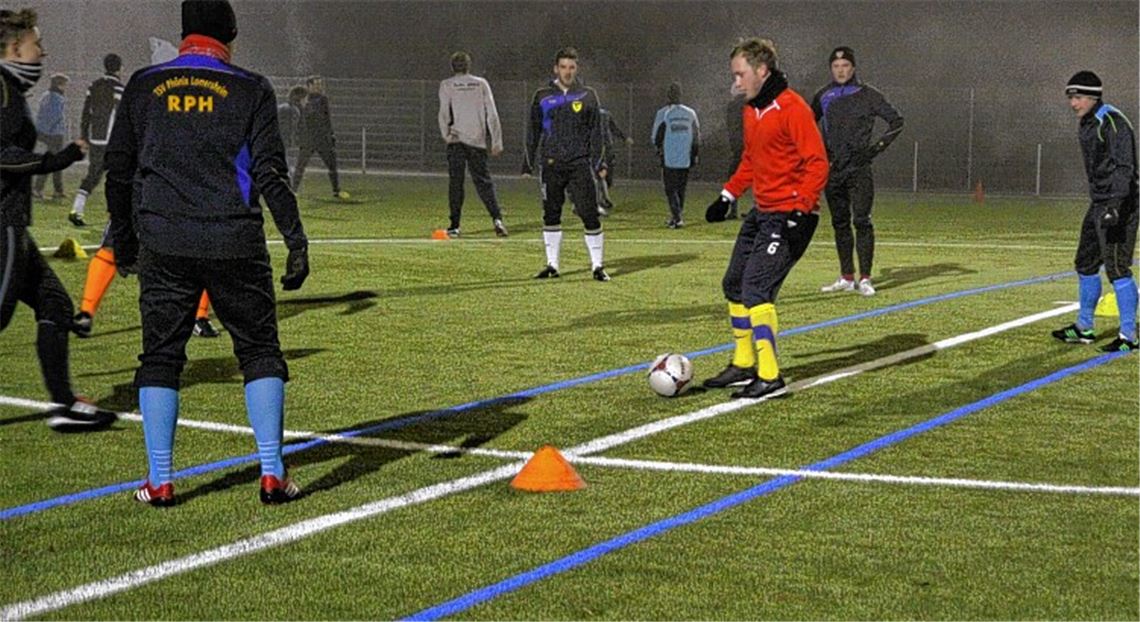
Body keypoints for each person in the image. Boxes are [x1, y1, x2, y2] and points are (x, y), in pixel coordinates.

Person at [105, 0, 311, 506]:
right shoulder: (251, 87)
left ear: (184, 33)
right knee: (259, 351)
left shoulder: (144, 84)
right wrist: (295, 239)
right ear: (230, 33)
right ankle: (270, 473)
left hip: (164, 240)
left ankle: (161, 480)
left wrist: (126, 243)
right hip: (233, 239)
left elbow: (119, 171)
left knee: (160, 357)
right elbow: (269, 173)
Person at [0, 7, 116, 431]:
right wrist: (59, 159)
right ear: (14, 48)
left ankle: (64, 405)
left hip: (13, 222)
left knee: (55, 303)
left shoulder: (11, 90)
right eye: (36, 45)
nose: (42, 52)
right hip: (2, 223)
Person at [702, 37, 829, 399]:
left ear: (761, 70)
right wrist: (727, 196)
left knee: (757, 289)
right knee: (733, 284)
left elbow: (817, 163)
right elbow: (751, 162)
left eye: (741, 74)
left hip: (790, 216)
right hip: (763, 212)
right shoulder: (751, 111)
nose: (736, 82)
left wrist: (802, 208)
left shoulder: (792, 108)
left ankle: (770, 375)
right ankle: (744, 364)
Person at [1051, 70, 1138, 352]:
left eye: (1077, 98)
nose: (1073, 104)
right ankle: (1084, 328)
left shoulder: (1111, 121)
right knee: (1085, 262)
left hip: (1120, 203)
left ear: (1092, 97)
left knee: (1116, 267)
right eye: (1071, 98)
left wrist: (1115, 206)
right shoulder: (1087, 122)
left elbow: (1125, 167)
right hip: (1099, 203)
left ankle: (1129, 336)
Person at [811, 46, 903, 296]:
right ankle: (846, 277)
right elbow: (806, 125)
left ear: (853, 68)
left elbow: (896, 121)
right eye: (836, 67)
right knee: (839, 223)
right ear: (831, 69)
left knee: (861, 221)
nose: (840, 71)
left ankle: (865, 278)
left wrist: (875, 150)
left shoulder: (868, 94)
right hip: (833, 171)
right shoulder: (823, 95)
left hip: (859, 169)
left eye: (845, 66)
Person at [523, 46, 609, 282]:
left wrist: (597, 161)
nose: (567, 71)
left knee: (589, 214)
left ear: (576, 68)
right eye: (563, 67)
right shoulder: (542, 95)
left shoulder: (588, 95)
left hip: (579, 164)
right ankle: (552, 265)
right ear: (555, 69)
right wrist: (527, 162)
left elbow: (597, 133)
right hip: (551, 165)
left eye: (571, 67)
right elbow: (533, 131)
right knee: (551, 213)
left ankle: (597, 266)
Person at [72, 225, 221, 339]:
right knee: (112, 246)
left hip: (183, 194)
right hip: (142, 192)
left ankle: (199, 316)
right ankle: (86, 313)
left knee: (200, 246)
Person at [437, 51, 507, 238]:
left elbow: (444, 113)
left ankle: (454, 226)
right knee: (484, 183)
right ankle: (497, 220)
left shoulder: (447, 85)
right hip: (477, 141)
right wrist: (497, 141)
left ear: (452, 67)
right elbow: (492, 114)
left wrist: (445, 135)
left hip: (457, 140)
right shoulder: (481, 84)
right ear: (469, 66)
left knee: (456, 183)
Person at [69, 53, 124, 227]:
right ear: (119, 68)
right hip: (113, 141)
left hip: (95, 139)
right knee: (118, 178)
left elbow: (86, 113)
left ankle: (77, 209)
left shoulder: (94, 86)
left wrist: (84, 136)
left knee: (93, 175)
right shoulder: (119, 89)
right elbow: (122, 117)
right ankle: (114, 216)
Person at [651, 82, 700, 228]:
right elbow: (697, 136)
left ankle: (677, 217)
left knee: (670, 189)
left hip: (669, 158)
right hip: (685, 158)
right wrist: (695, 154)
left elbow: (657, 136)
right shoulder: (690, 113)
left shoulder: (665, 113)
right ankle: (677, 216)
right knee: (681, 189)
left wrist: (658, 149)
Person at [292, 74, 349, 199]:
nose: (319, 87)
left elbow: (326, 118)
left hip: (322, 138)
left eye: (320, 84)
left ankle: (336, 190)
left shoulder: (323, 99)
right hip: (308, 139)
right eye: (316, 84)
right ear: (309, 86)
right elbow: (302, 119)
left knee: (332, 165)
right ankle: (293, 191)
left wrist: (331, 134)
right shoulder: (302, 99)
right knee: (300, 166)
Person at [32, 72, 68, 200]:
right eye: (64, 84)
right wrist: (50, 132)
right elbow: (54, 117)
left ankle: (57, 190)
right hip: (54, 135)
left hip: (45, 133)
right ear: (59, 84)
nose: (65, 87)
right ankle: (39, 189)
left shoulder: (45, 96)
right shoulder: (57, 98)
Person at [596, 107, 632, 215]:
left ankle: (603, 199)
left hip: (603, 148)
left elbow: (613, 128)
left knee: (603, 176)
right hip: (601, 148)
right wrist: (624, 138)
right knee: (600, 175)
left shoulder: (603, 114)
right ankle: (601, 201)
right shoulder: (604, 114)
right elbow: (614, 129)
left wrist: (624, 138)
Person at [723, 91, 745, 219]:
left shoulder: (733, 106)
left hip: (739, 147)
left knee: (732, 178)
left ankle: (733, 210)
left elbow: (731, 127)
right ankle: (759, 210)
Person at [277, 84, 306, 171]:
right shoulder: (293, 110)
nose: (307, 101)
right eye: (305, 98)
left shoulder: (285, 107)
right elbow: (287, 129)